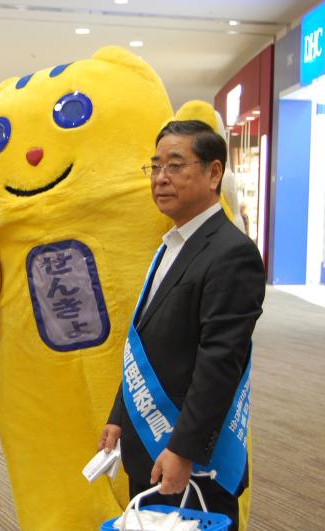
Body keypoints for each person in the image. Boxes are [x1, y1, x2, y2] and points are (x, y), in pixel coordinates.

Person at [99, 120, 265, 530]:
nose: (161, 178)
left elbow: (220, 362)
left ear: (213, 173)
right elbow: (146, 340)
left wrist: (184, 450)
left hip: (193, 457)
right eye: (155, 167)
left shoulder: (232, 253)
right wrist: (119, 413)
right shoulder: (172, 244)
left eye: (175, 165)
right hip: (150, 440)